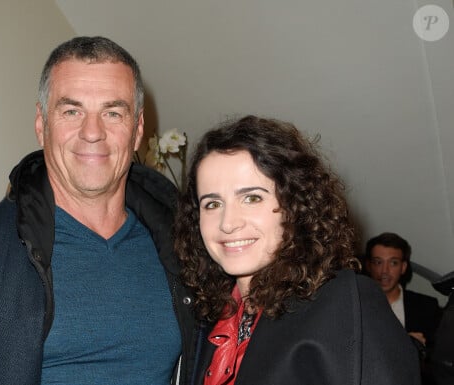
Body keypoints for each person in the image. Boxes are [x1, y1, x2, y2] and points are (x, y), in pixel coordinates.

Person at [0, 36, 197, 385]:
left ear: (137, 131)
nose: (93, 132)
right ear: (42, 124)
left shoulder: (181, 246)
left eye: (113, 112)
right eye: (72, 111)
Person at [174, 115, 421, 385]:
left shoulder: (348, 304)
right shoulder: (206, 321)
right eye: (212, 204)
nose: (228, 223)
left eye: (252, 198)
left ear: (295, 205)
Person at [364, 232, 442, 352]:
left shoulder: (427, 307)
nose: (385, 271)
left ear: (403, 267)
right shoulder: (355, 304)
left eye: (393, 263)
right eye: (378, 262)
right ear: (369, 266)